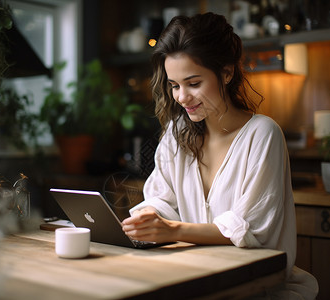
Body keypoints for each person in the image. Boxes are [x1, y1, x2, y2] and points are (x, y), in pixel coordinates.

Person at [122, 12, 318, 299]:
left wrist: (172, 230)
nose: (181, 97)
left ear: (226, 73)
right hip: (200, 279)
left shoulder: (262, 134)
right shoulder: (177, 133)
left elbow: (248, 230)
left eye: (193, 83)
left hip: (257, 287)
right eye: (175, 85)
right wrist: (148, 218)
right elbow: (160, 198)